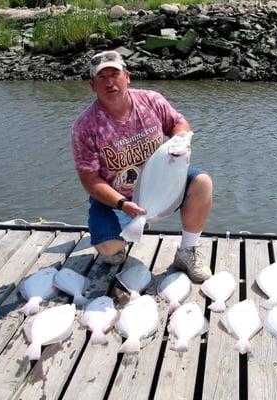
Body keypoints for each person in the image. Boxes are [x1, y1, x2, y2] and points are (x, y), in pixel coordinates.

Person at [71, 50, 213, 282]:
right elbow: (90, 180)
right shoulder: (84, 127)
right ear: (92, 85)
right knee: (109, 250)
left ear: (127, 76)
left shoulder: (151, 100)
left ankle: (187, 251)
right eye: (101, 78)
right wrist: (123, 204)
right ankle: (121, 238)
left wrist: (180, 141)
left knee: (202, 182)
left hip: (163, 188)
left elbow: (179, 123)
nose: (109, 83)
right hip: (117, 200)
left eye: (114, 74)